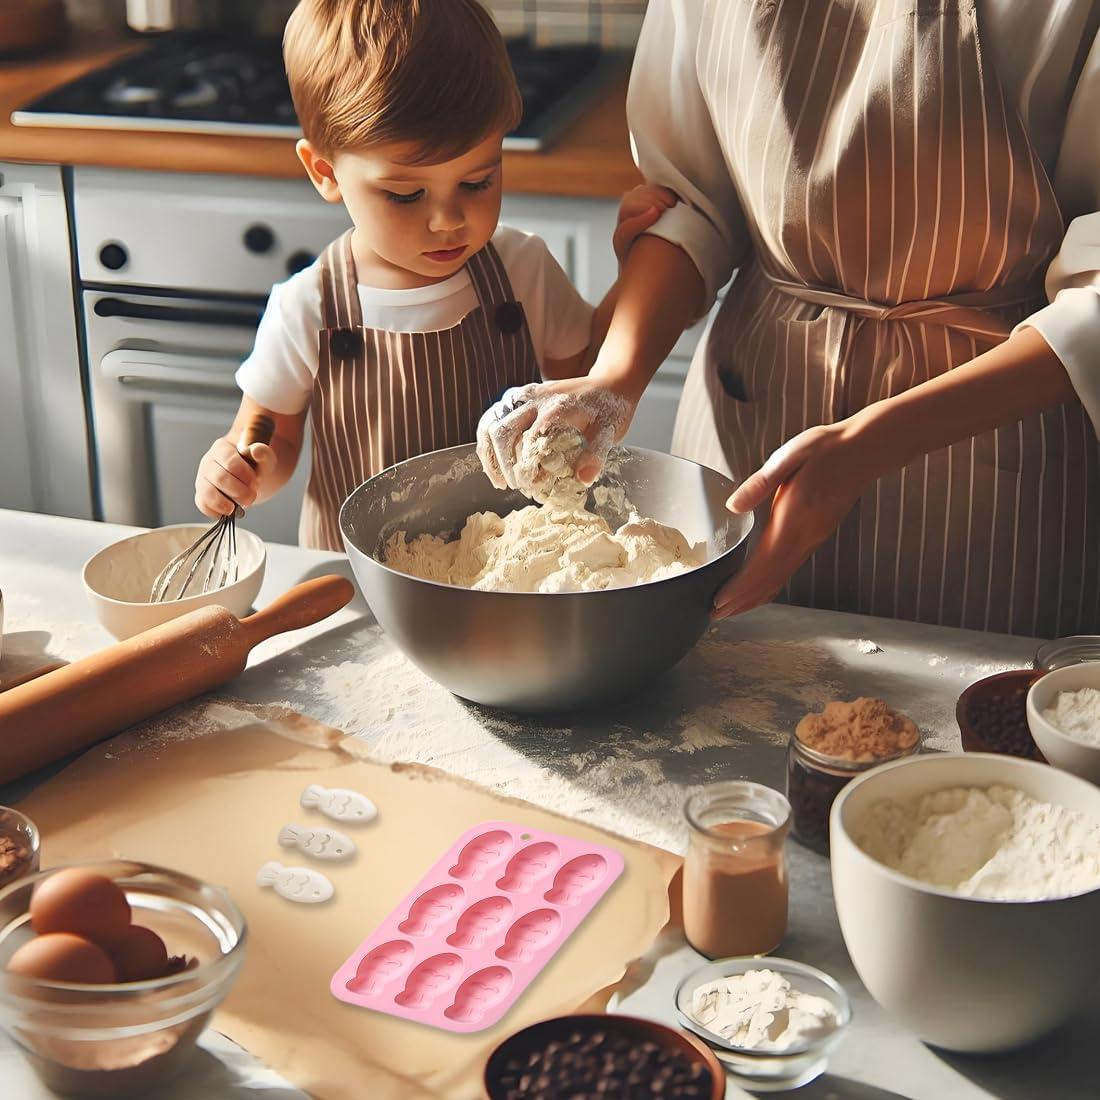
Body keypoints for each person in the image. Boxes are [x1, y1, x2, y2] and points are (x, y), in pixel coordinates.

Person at [479, 0, 1100, 639]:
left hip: (995, 443)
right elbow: (691, 202)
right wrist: (610, 379)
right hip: (753, 408)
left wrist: (871, 445)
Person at [194, 0, 630, 551]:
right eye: (405, 194)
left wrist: (632, 271)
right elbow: (269, 440)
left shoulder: (520, 269)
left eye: (477, 182)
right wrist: (239, 470)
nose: (449, 221)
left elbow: (587, 386)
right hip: (358, 583)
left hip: (510, 571)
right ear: (324, 172)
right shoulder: (310, 305)